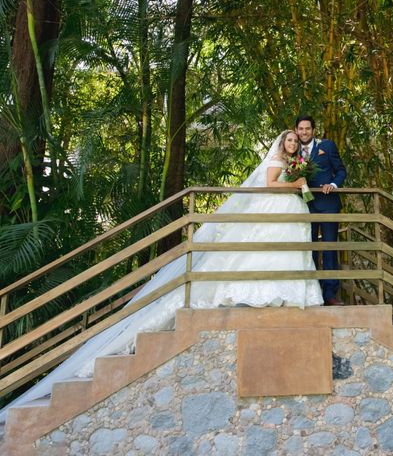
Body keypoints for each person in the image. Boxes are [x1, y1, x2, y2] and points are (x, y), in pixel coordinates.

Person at [0, 130, 323, 422]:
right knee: (259, 251)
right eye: (289, 140)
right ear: (282, 143)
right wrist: (296, 183)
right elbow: (270, 184)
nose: (292, 144)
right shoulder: (276, 161)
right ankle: (259, 292)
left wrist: (300, 183)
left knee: (283, 251)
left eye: (296, 141)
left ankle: (287, 293)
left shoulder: (296, 162)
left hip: (289, 212)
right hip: (272, 207)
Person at [295, 115, 347, 306]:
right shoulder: (292, 148)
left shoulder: (327, 146)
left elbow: (341, 170)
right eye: (301, 129)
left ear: (313, 130)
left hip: (328, 204)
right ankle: (312, 292)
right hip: (304, 205)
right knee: (309, 249)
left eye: (307, 129)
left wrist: (333, 184)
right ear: (296, 130)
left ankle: (330, 294)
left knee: (329, 247)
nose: (304, 132)